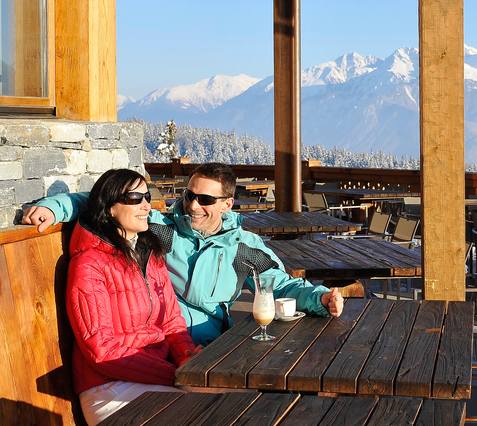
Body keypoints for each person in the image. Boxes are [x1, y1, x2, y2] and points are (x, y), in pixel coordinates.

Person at [24, 162, 344, 346]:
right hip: (163, 344)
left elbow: (282, 286)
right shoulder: (163, 230)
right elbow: (107, 200)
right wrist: (57, 207)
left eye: (205, 199)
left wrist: (320, 299)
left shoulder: (240, 247)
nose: (193, 206)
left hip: (211, 345)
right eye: (190, 195)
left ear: (226, 205)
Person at [65, 169, 197, 425]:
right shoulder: (89, 264)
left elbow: (172, 323)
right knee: (212, 412)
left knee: (232, 399)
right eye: (135, 198)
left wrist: (188, 360)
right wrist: (176, 375)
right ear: (110, 208)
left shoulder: (149, 253)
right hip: (109, 388)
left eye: (146, 196)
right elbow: (101, 351)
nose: (146, 205)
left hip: (155, 376)